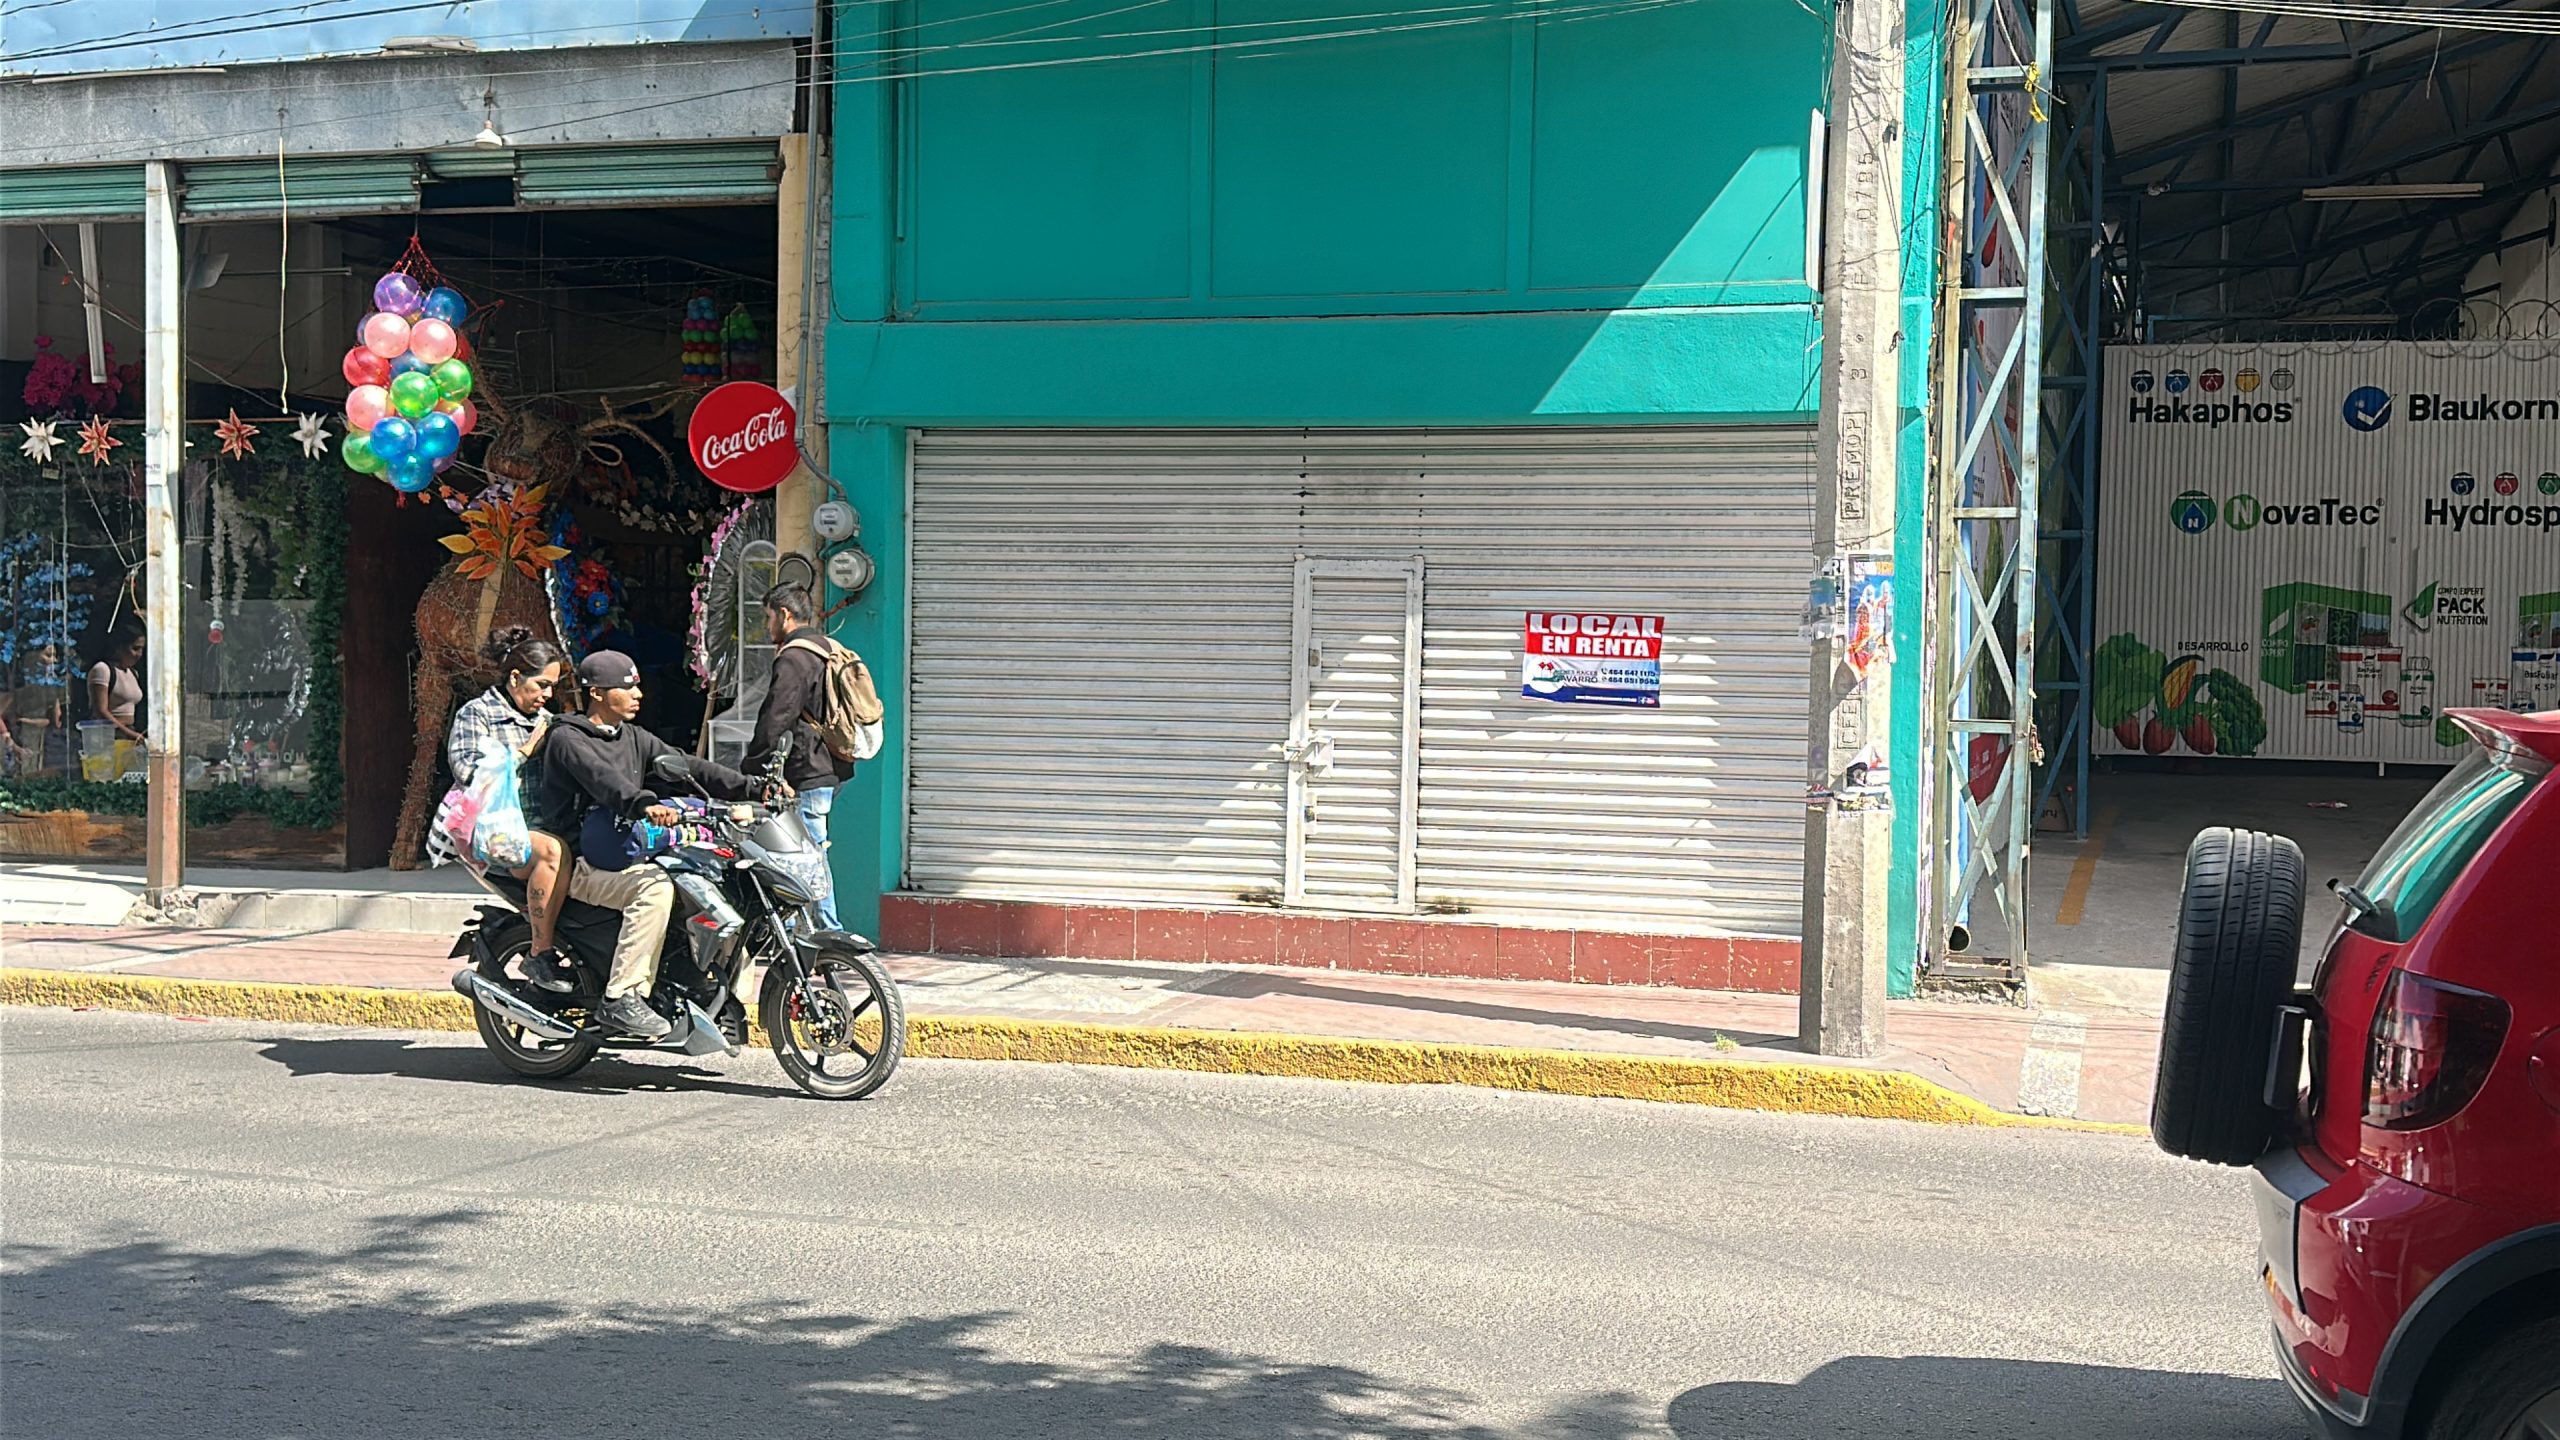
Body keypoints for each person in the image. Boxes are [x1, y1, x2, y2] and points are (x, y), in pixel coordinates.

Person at [535, 649, 774, 1039]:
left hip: (627, 849)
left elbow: (687, 766)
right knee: (654, 889)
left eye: (637, 687)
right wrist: (643, 803)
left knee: (715, 882)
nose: (638, 695)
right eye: (627, 688)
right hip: (582, 862)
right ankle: (622, 996)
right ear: (596, 693)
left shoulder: (632, 736)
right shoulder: (568, 739)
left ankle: (706, 987)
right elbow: (603, 780)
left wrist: (751, 788)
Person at [436, 627, 575, 992]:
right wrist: (524, 752)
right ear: (515, 678)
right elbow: (470, 773)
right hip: (494, 834)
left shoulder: (546, 719)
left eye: (552, 687)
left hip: (539, 824)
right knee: (552, 852)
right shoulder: (477, 715)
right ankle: (540, 955)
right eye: (541, 685)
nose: (548, 695)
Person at [745, 583, 856, 930]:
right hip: (833, 767)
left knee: (808, 856)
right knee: (801, 851)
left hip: (807, 770)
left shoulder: (794, 657)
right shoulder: (828, 647)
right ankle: (793, 932)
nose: (768, 627)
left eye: (769, 618)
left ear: (785, 615)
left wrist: (751, 767)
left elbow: (776, 717)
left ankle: (830, 933)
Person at [88, 626, 145, 744]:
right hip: (107, 735)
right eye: (135, 648)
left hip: (129, 732)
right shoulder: (103, 669)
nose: (139, 654)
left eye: (141, 649)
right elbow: (101, 710)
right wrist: (129, 734)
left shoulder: (133, 673)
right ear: (120, 647)